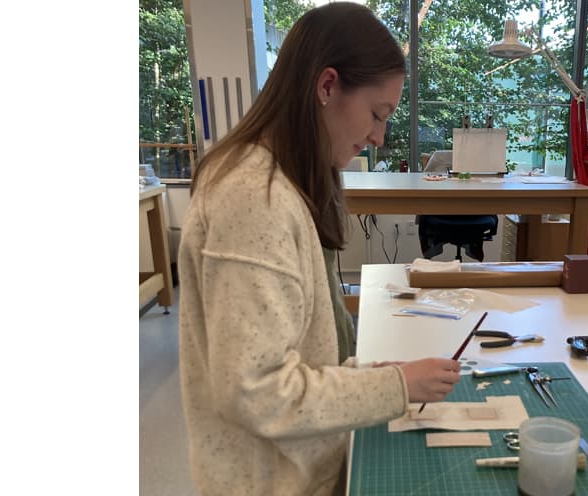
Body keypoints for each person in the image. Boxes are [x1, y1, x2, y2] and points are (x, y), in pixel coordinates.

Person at [177, 3, 461, 495]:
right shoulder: (252, 197)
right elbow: (258, 391)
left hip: (300, 466)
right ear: (327, 86)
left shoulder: (282, 182)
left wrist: (374, 373)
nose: (378, 137)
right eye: (377, 114)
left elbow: (294, 347)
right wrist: (396, 387)